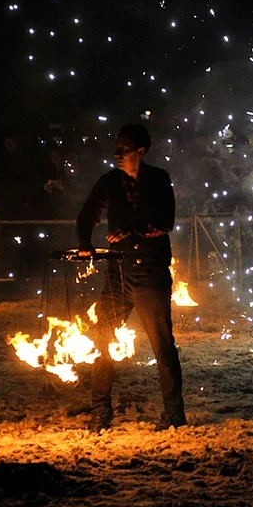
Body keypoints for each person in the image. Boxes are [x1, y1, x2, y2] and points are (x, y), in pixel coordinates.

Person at [76, 123, 186, 433]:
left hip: (151, 275)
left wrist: (132, 230)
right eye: (116, 148)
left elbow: (166, 221)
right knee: (102, 341)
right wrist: (85, 241)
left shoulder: (159, 179)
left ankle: (175, 414)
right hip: (117, 275)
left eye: (123, 149)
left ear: (140, 152)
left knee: (163, 347)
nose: (117, 154)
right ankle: (100, 409)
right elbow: (88, 212)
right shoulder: (110, 182)